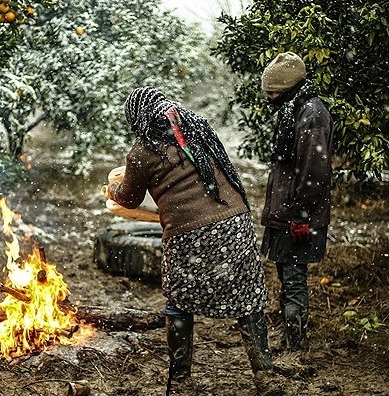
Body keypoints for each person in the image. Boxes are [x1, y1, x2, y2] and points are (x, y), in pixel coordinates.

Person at [107, 86, 278, 395]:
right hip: (235, 221)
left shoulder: (143, 152)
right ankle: (265, 376)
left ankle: (182, 380)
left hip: (189, 231)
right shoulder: (197, 129)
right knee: (247, 297)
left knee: (179, 301)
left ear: (137, 119)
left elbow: (129, 199)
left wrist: (112, 189)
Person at [259, 52, 333, 355]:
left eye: (273, 91)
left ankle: (296, 350)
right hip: (288, 212)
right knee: (287, 277)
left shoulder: (312, 114)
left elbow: (314, 170)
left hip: (299, 215)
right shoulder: (294, 108)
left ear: (288, 87)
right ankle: (290, 342)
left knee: (293, 278)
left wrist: (300, 216)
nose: (270, 97)